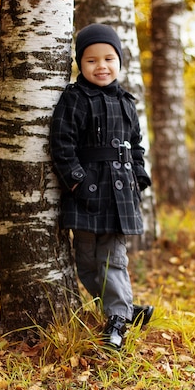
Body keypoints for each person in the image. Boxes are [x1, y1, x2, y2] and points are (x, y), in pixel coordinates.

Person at [50, 23, 153, 350]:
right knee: (86, 263)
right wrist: (77, 181)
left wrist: (140, 174)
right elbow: (61, 143)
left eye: (109, 58)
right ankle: (124, 308)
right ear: (80, 63)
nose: (101, 66)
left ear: (120, 62)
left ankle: (118, 321)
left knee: (113, 259)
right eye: (92, 60)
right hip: (86, 192)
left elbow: (136, 144)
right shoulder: (76, 98)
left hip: (120, 192)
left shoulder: (127, 101)